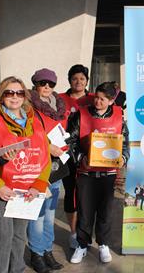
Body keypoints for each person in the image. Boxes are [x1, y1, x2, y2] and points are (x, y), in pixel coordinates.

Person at [0, 76, 51, 273]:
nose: (14, 97)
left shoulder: (35, 120)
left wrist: (38, 185)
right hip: (4, 189)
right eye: (9, 93)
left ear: (25, 96)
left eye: (19, 92)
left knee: (19, 236)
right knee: (3, 237)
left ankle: (17, 269)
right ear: (1, 96)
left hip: (27, 190)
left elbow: (45, 156)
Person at [66, 82, 130, 264]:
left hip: (108, 173)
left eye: (102, 99)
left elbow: (125, 144)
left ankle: (103, 244)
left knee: (106, 212)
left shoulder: (119, 118)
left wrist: (123, 158)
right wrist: (80, 158)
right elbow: (71, 141)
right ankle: (82, 245)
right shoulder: (81, 115)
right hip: (86, 173)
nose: (98, 102)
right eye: (96, 97)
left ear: (111, 101)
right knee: (85, 212)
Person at [27, 68, 67, 272]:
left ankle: (47, 250)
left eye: (50, 84)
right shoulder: (27, 105)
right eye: (42, 83)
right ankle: (36, 253)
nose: (46, 87)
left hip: (56, 167)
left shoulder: (58, 106)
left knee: (50, 214)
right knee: (38, 215)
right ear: (35, 84)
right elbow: (25, 135)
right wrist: (46, 146)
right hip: (36, 167)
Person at [58, 64, 93, 249]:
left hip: (89, 154)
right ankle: (73, 233)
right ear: (69, 80)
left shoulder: (93, 98)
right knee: (71, 194)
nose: (78, 82)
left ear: (87, 81)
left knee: (87, 196)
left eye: (82, 78)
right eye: (74, 78)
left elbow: (114, 98)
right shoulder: (60, 99)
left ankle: (85, 232)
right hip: (65, 153)